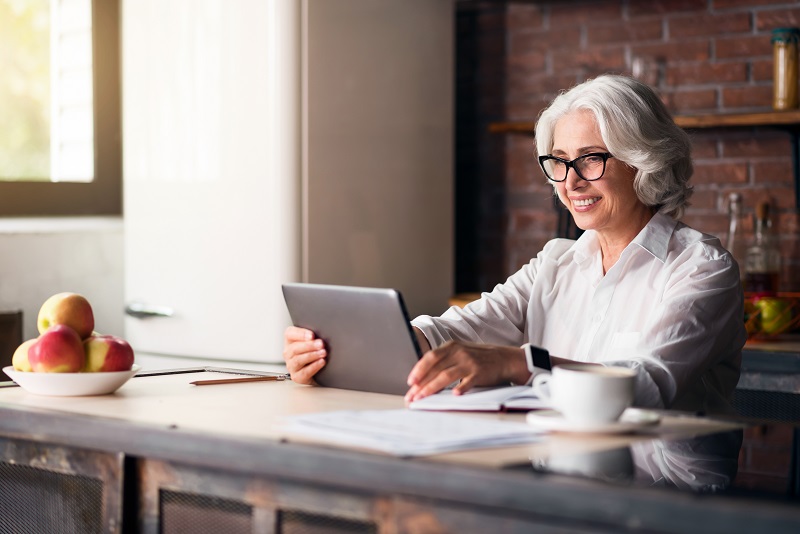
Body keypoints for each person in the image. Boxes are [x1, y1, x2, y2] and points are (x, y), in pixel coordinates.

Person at [283, 74, 746, 415]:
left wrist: (515, 362)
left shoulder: (701, 269)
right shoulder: (556, 262)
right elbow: (465, 329)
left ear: (643, 161)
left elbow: (646, 383)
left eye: (590, 160)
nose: (570, 182)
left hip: (668, 506)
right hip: (554, 486)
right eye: (559, 162)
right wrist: (348, 345)